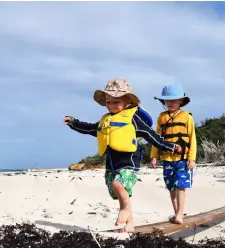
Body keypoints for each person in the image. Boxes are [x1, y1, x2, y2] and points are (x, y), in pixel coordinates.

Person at [64, 78, 182, 232]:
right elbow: (91, 129)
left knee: (118, 184)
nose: (111, 105)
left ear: (127, 102)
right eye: (108, 102)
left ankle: (125, 211)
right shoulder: (106, 120)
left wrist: (170, 147)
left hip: (129, 161)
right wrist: (74, 123)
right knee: (121, 193)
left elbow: (151, 136)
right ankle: (129, 224)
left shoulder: (133, 118)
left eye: (116, 102)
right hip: (112, 163)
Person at [150, 84, 197, 224]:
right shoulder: (161, 117)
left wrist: (192, 158)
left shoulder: (187, 117)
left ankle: (180, 214)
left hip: (182, 159)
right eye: (167, 100)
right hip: (166, 158)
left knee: (180, 185)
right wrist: (153, 156)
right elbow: (156, 138)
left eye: (173, 100)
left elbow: (192, 138)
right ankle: (176, 212)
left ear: (181, 101)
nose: (169, 103)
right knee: (171, 186)